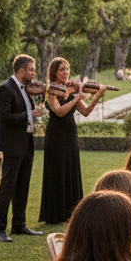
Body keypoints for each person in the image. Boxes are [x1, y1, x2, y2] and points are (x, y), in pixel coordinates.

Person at [39, 57, 106, 225]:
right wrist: (76, 98)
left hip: (70, 134)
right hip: (56, 136)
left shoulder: (72, 90)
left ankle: (71, 213)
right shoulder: (51, 91)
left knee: (71, 167)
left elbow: (85, 111)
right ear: (54, 72)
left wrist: (97, 96)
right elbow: (60, 111)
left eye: (67, 69)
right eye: (62, 69)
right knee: (57, 170)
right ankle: (54, 215)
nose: (66, 72)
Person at [0, 54, 46, 242]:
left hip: (25, 144)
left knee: (23, 186)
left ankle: (19, 225)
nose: (34, 73)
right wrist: (31, 113)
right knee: (7, 187)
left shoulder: (26, 90)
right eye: (31, 70)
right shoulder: (5, 89)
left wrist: (34, 112)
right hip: (10, 146)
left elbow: (26, 114)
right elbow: (5, 117)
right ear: (21, 70)